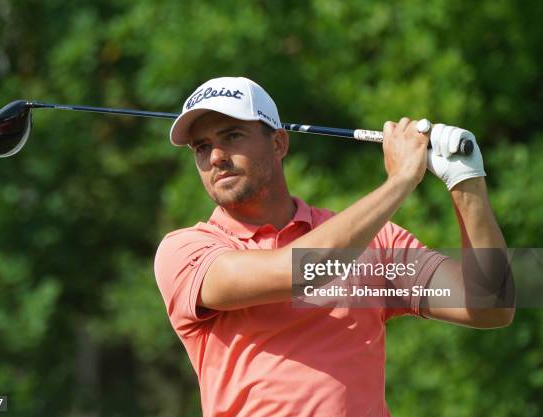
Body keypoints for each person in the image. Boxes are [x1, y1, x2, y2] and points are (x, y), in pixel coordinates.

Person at [154, 77, 514, 417]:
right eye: (202, 147)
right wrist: (403, 179)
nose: (215, 157)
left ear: (278, 143)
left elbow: (490, 306)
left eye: (231, 136)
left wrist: (466, 181)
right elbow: (301, 270)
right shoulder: (186, 250)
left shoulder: (375, 242)